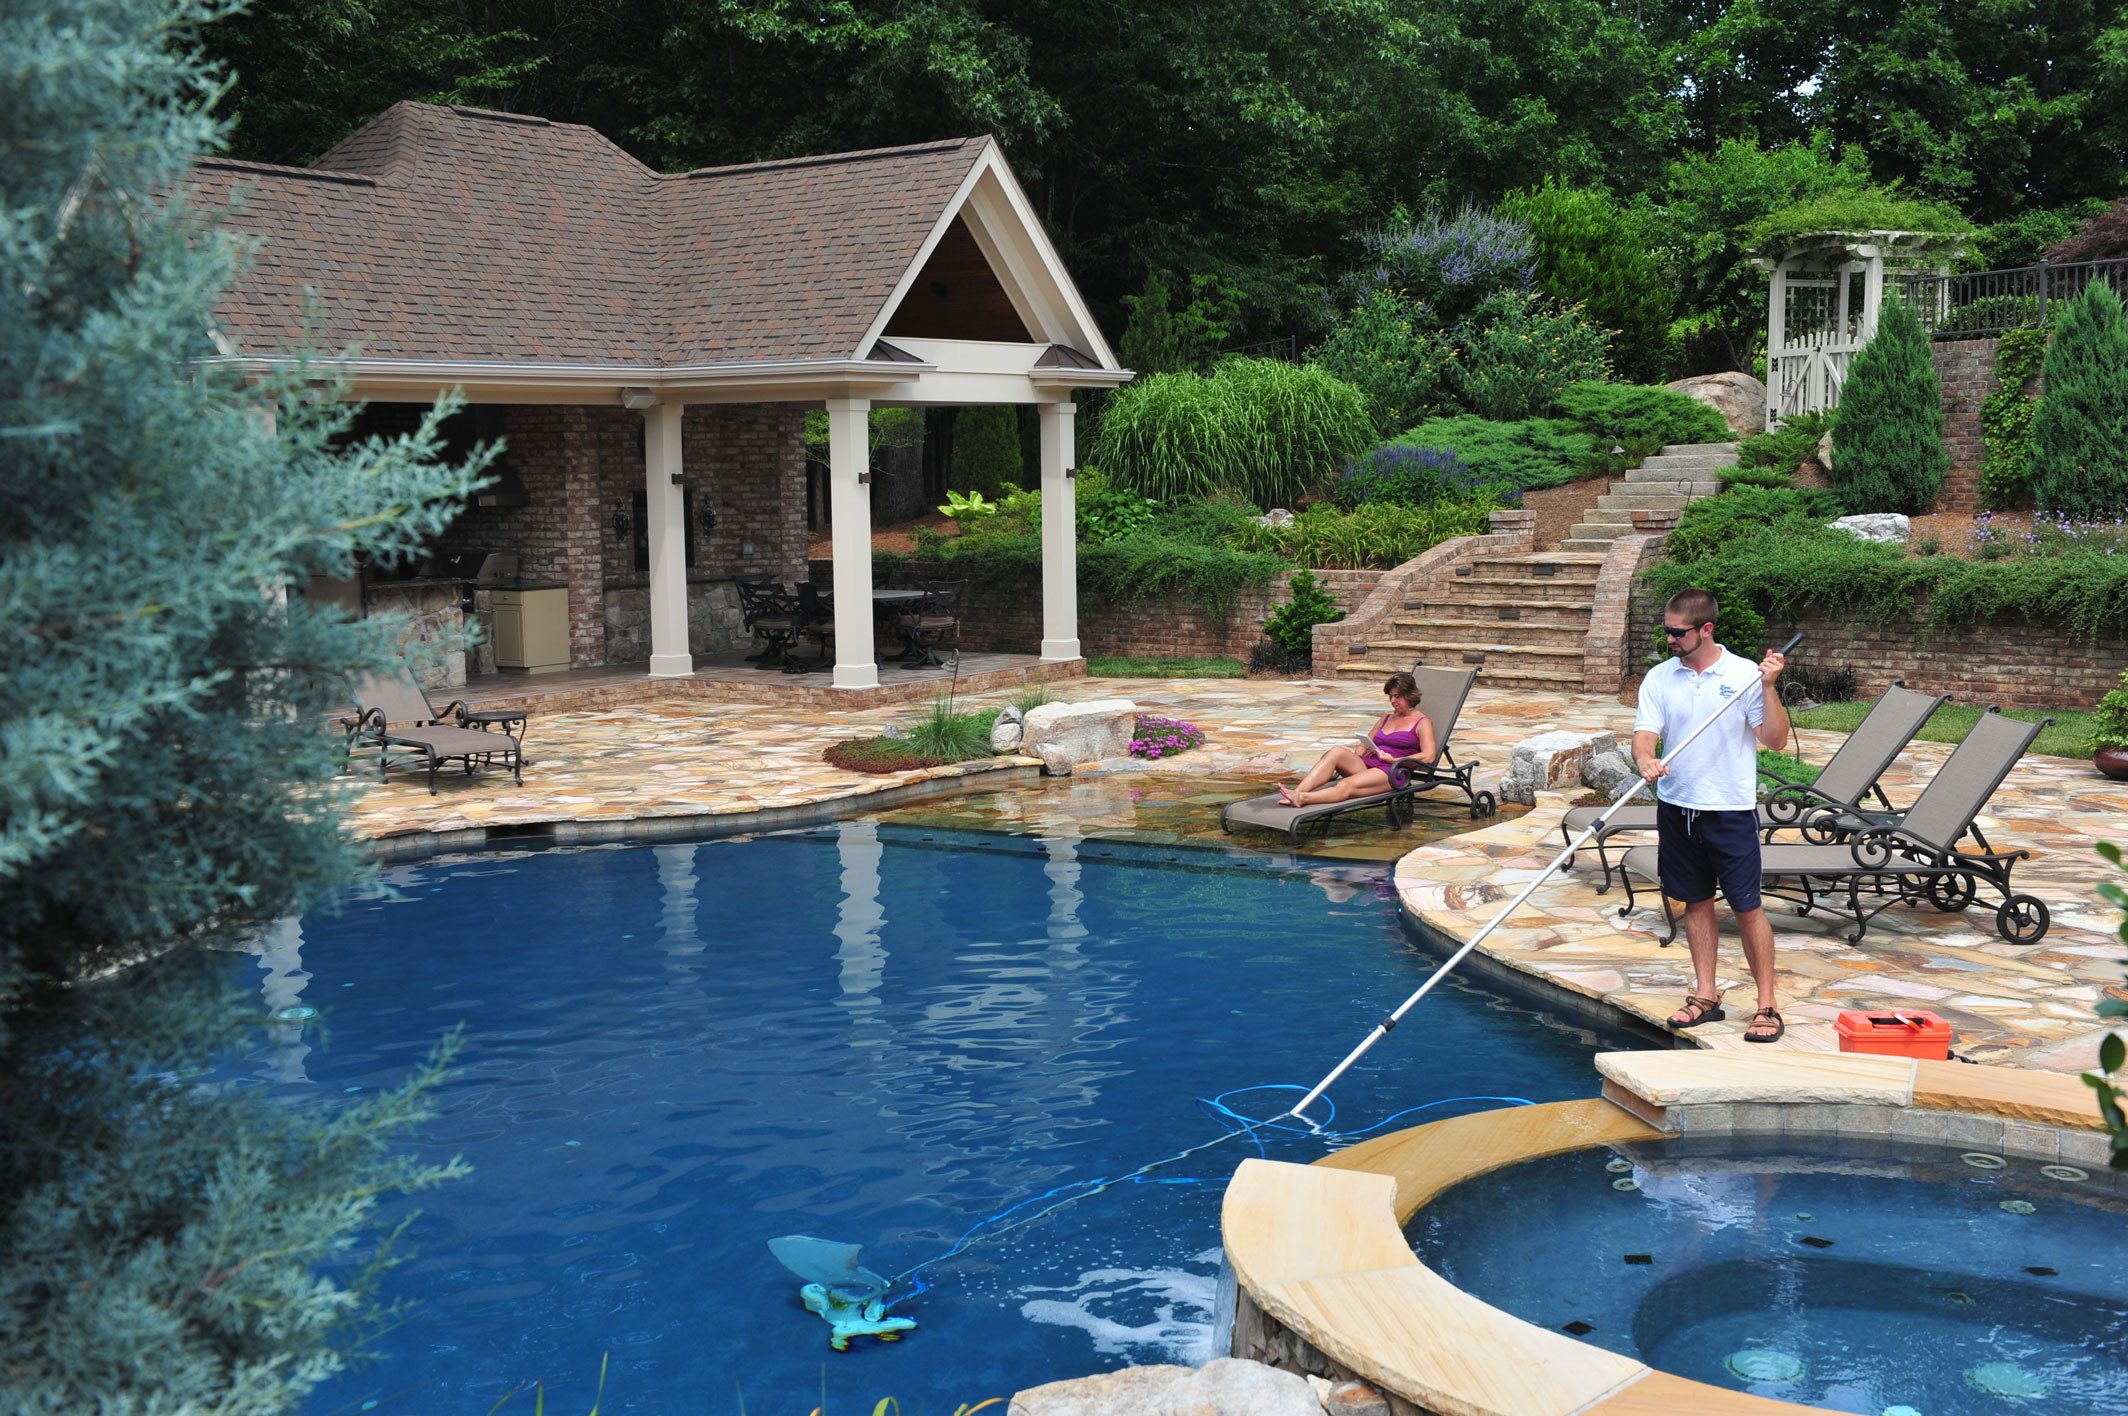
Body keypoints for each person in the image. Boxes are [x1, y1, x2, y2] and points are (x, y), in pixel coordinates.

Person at [1634, 587, 1790, 1043]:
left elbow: (1775, 740)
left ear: (1706, 629)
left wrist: (1768, 688)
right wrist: (1646, 758)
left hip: (1729, 809)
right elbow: (1645, 733)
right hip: (1678, 806)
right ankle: (1705, 996)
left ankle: (1767, 1006)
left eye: (1677, 633)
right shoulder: (1661, 677)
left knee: (1747, 908)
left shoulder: (1744, 675)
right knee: (1695, 902)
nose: (1669, 640)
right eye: (1666, 631)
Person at [1279, 672, 1438, 807]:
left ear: (1409, 695)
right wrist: (1363, 750)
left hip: (1393, 771)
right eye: (1390, 697)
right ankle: (1298, 792)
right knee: (1336, 752)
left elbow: (1429, 756)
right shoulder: (1386, 718)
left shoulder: (1422, 723)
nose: (1393, 701)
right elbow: (1363, 743)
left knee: (1345, 785)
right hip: (1370, 764)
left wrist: (1394, 759)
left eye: (1397, 697)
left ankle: (1303, 799)